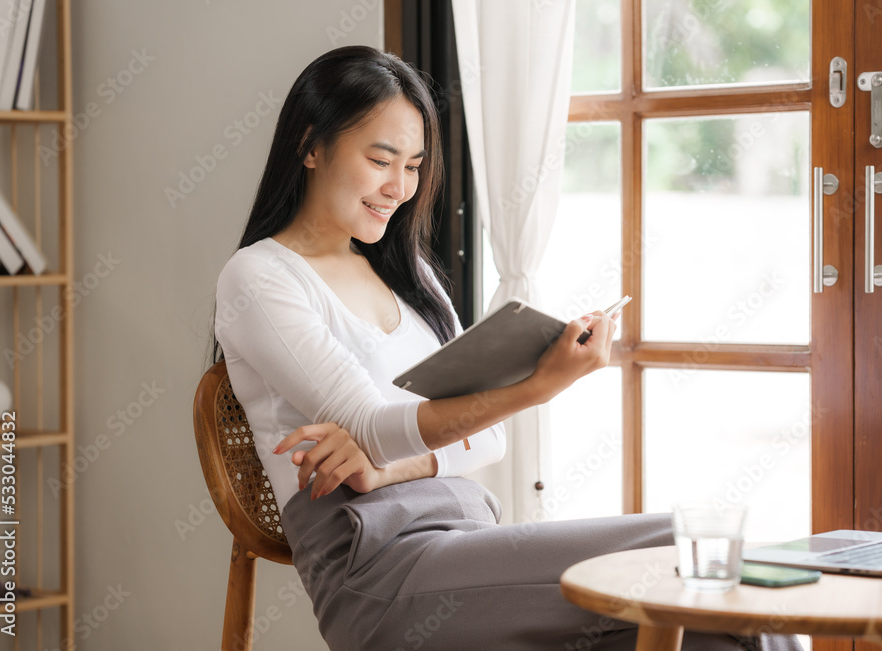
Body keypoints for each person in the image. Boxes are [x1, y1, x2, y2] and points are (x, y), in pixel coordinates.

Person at [212, 45, 801, 651]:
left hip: (471, 548)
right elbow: (373, 424)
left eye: (413, 166)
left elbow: (483, 439)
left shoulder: (409, 275)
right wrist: (537, 386)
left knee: (720, 635)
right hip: (381, 575)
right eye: (380, 159)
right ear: (310, 145)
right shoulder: (260, 278)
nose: (399, 186)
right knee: (691, 550)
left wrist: (388, 462)